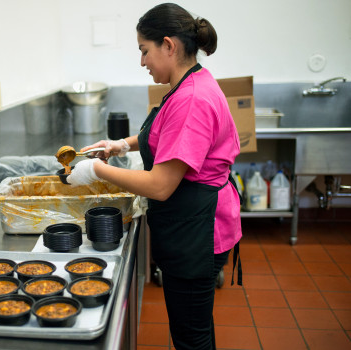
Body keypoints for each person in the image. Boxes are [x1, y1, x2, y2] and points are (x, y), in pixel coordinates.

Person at [66, 3, 242, 349]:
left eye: (144, 51)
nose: (142, 61)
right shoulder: (190, 82)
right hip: (193, 223)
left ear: (168, 45)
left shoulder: (192, 98)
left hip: (199, 230)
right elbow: (167, 134)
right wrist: (120, 146)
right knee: (195, 327)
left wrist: (95, 170)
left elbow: (161, 186)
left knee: (192, 337)